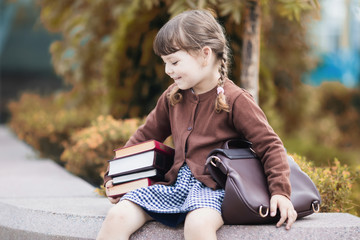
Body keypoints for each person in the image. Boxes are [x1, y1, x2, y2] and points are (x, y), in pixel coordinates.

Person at [97, 9, 297, 240]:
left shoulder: (236, 100)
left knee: (198, 225)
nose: (168, 70)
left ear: (205, 54)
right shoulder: (173, 96)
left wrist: (280, 192)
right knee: (117, 215)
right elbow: (144, 136)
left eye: (174, 61)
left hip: (215, 190)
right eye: (165, 63)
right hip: (174, 187)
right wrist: (116, 176)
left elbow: (270, 145)